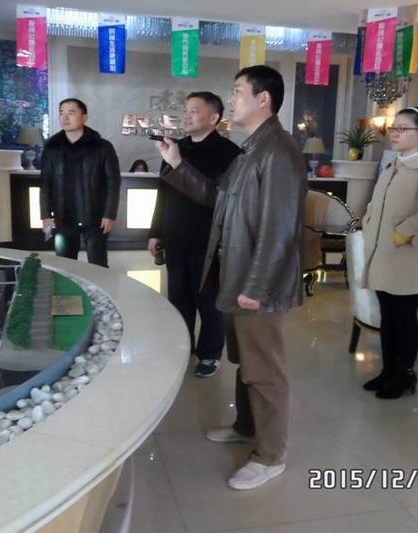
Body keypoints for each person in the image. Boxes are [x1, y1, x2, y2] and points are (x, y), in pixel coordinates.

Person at [155, 66, 305, 490]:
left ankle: (271, 455)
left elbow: (279, 230)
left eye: (238, 91)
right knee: (247, 363)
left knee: (265, 371)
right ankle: (247, 426)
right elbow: (216, 198)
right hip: (238, 276)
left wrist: (256, 288)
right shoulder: (252, 150)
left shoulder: (279, 152)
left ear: (263, 99)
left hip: (259, 286)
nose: (232, 99)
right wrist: (177, 163)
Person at [148, 92, 241, 378]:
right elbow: (163, 193)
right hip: (175, 237)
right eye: (186, 110)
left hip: (209, 243)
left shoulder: (230, 153)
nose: (186, 115)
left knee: (209, 303)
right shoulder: (176, 147)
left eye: (194, 110)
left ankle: (210, 354)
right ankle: (182, 345)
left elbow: (219, 200)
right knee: (178, 299)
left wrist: (179, 164)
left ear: (214, 118)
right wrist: (156, 231)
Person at [359, 106, 418, 399]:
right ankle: (388, 371)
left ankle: (404, 374)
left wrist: (400, 235)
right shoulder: (394, 163)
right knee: (388, 315)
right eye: (393, 128)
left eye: (402, 128)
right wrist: (369, 224)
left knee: (404, 316)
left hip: (408, 256)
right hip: (383, 254)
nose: (394, 133)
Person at [40, 98, 121, 268]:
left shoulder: (102, 147)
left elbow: (113, 183)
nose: (65, 117)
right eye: (61, 113)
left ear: (84, 117)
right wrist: (46, 215)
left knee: (98, 265)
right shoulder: (52, 148)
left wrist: (109, 214)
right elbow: (45, 183)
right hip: (63, 216)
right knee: (65, 266)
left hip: (95, 216)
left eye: (71, 113)